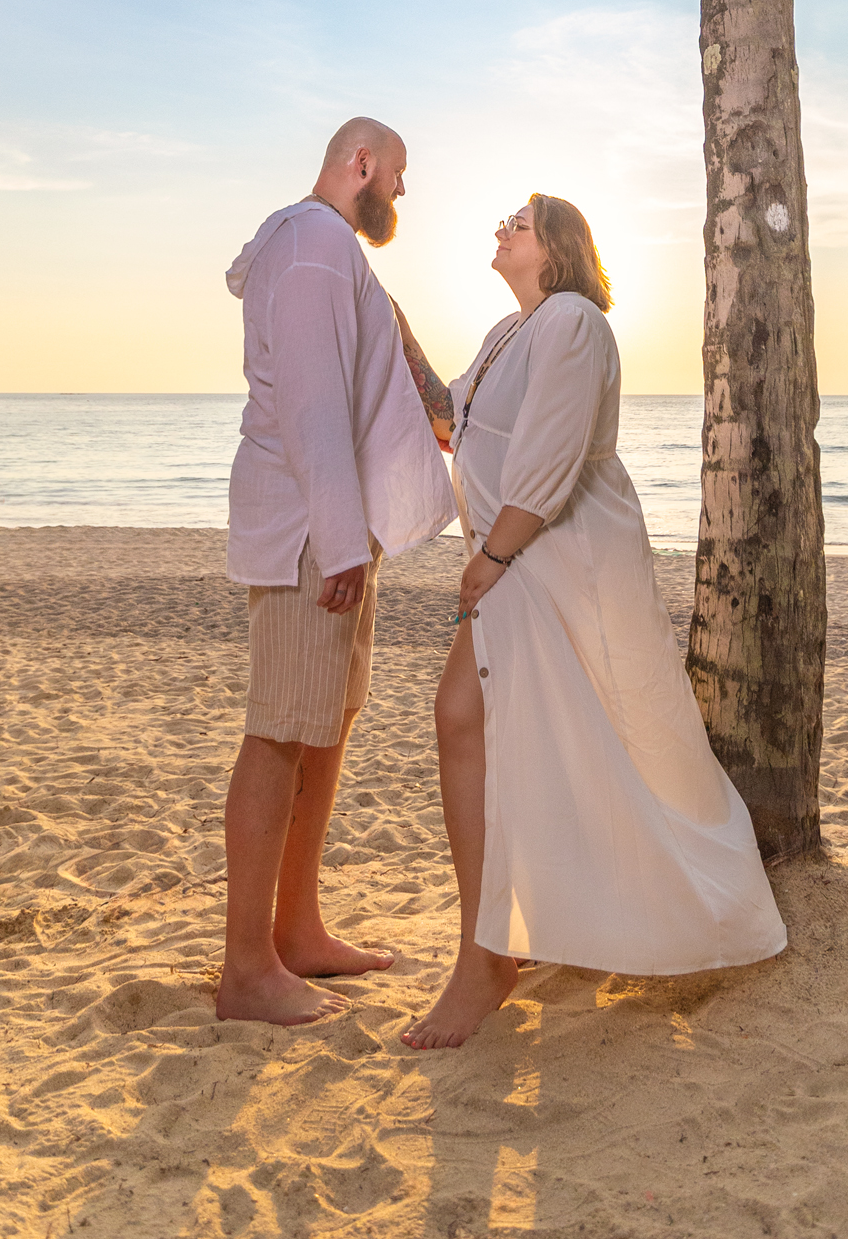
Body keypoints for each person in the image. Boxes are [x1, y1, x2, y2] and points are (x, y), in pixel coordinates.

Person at [402, 194, 788, 1051]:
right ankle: (505, 941)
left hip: (560, 560)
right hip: (523, 559)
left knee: (586, 731)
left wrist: (492, 558)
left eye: (520, 223)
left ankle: (487, 958)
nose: (501, 228)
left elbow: (551, 452)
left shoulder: (574, 321)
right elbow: (446, 417)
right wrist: (389, 318)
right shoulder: (511, 333)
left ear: (559, 249)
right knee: (503, 729)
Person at [218, 117, 455, 1026]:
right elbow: (312, 399)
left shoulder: (321, 245)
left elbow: (381, 384)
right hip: (315, 532)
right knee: (280, 730)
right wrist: (344, 542)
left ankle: (298, 930)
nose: (401, 192)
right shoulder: (316, 244)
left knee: (323, 724)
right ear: (360, 164)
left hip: (334, 521)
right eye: (396, 174)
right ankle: (247, 969)